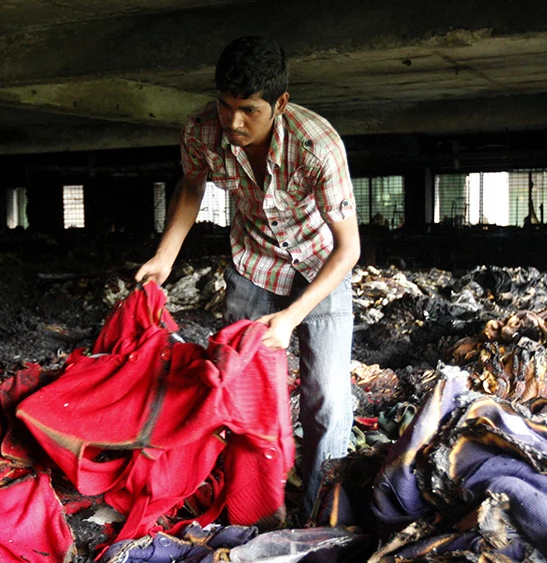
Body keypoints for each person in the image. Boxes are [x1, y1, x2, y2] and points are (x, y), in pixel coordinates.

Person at [135, 35, 359, 521]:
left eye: (249, 111)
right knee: (241, 389)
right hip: (253, 263)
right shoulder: (201, 130)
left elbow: (348, 249)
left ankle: (321, 508)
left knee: (329, 400)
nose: (233, 122)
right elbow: (192, 184)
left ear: (279, 103)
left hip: (321, 268)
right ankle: (256, 504)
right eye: (225, 106)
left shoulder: (317, 145)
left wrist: (291, 318)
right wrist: (166, 254)